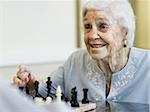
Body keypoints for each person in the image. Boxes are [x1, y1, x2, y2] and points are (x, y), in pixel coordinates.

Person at [13, 0, 150, 105]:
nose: (92, 35)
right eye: (87, 27)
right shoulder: (75, 61)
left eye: (103, 26)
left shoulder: (147, 65)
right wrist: (28, 83)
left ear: (124, 32)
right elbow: (44, 94)